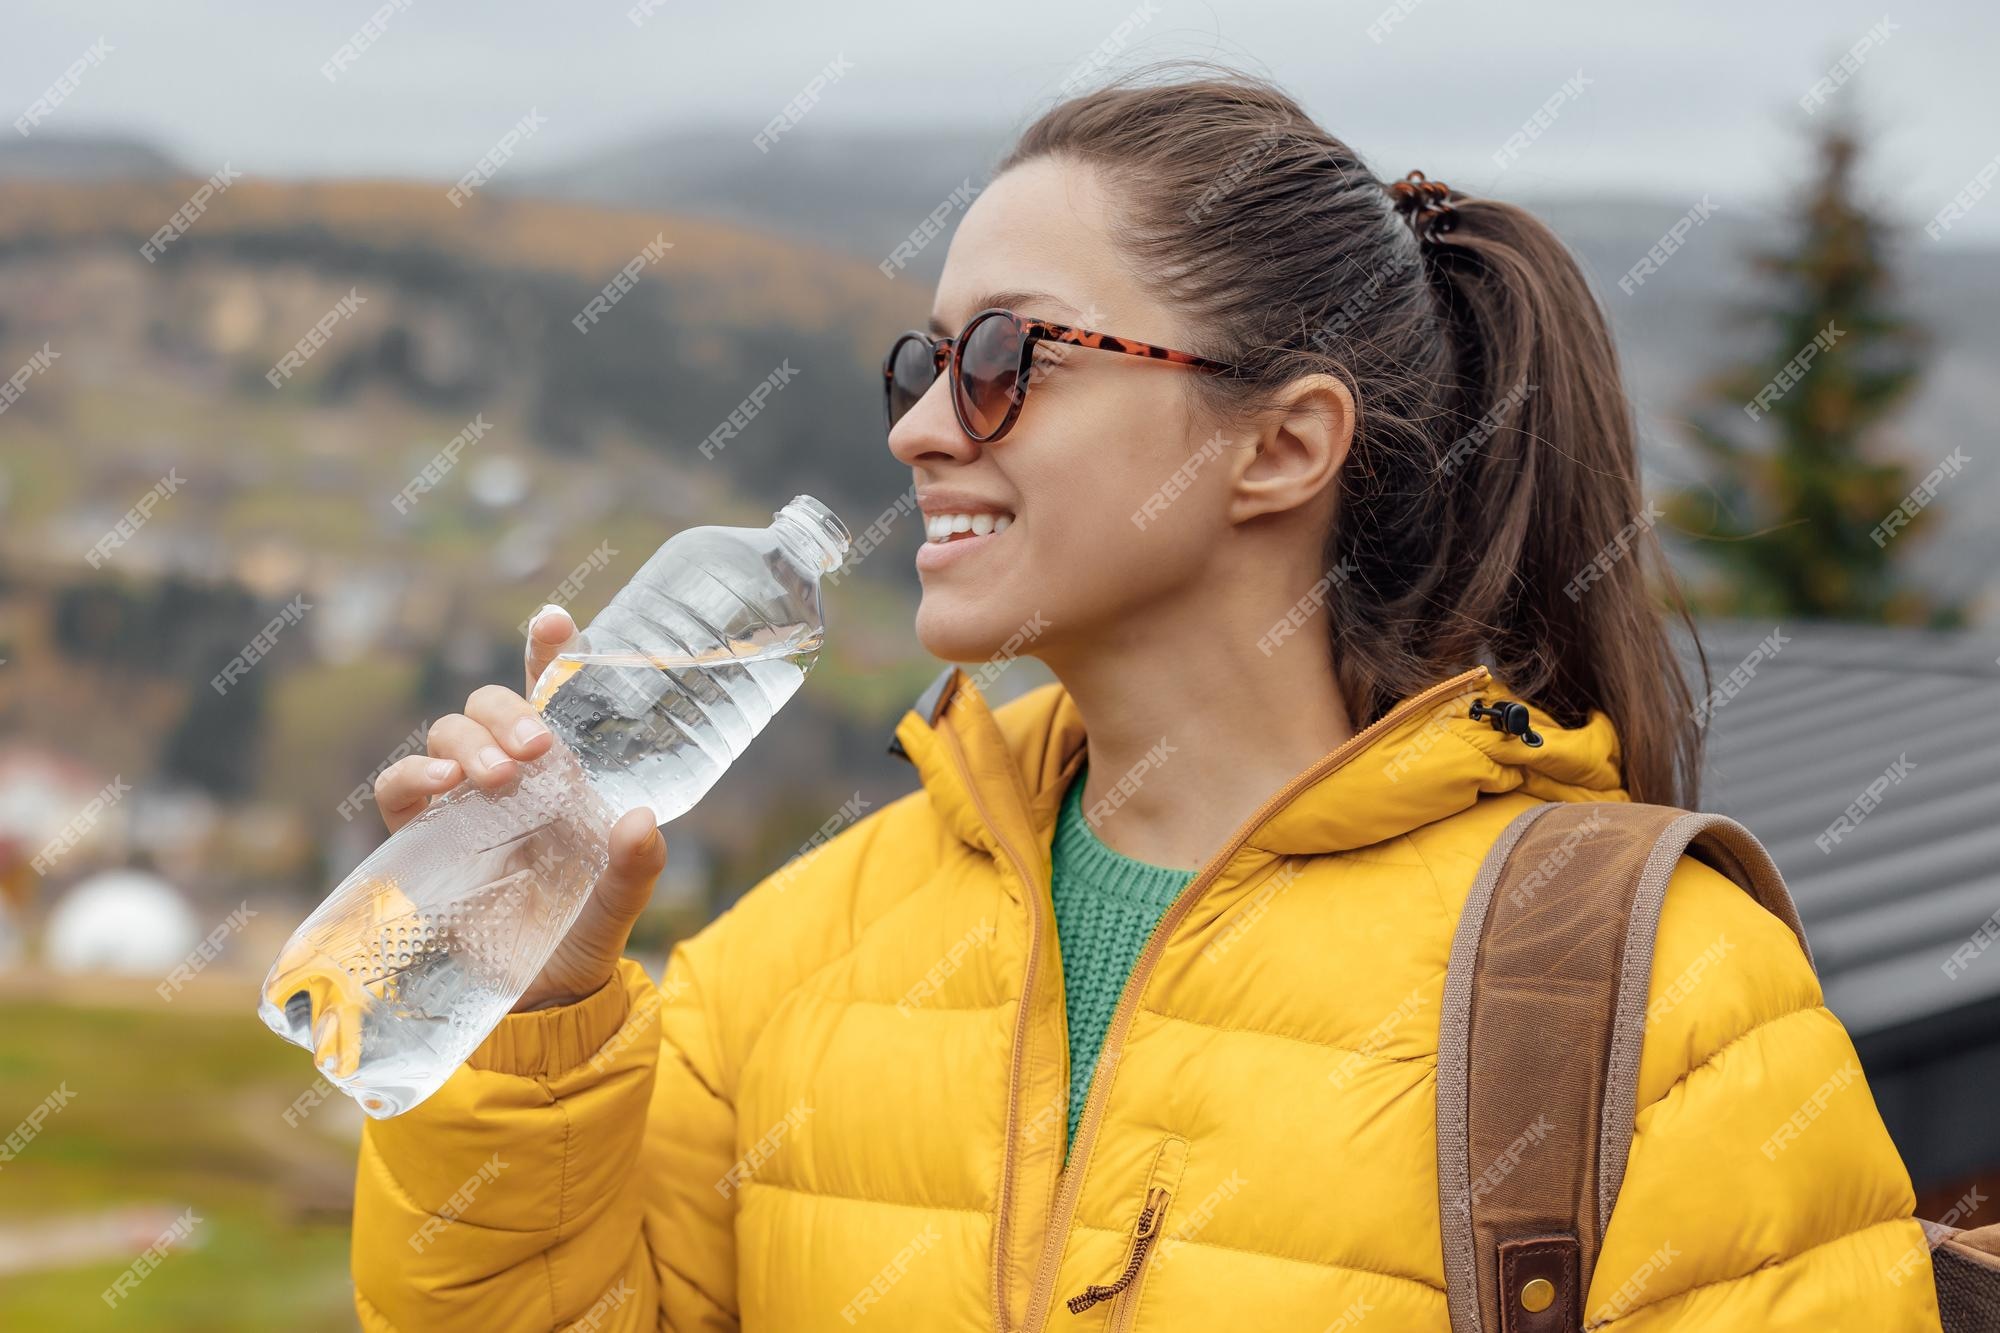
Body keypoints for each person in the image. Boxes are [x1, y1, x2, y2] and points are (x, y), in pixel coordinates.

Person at [349, 65, 1942, 1331]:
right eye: (922, 365)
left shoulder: (1659, 1003)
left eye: (1004, 354)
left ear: (1283, 446)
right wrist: (534, 1006)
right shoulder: (789, 960)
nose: (923, 429)